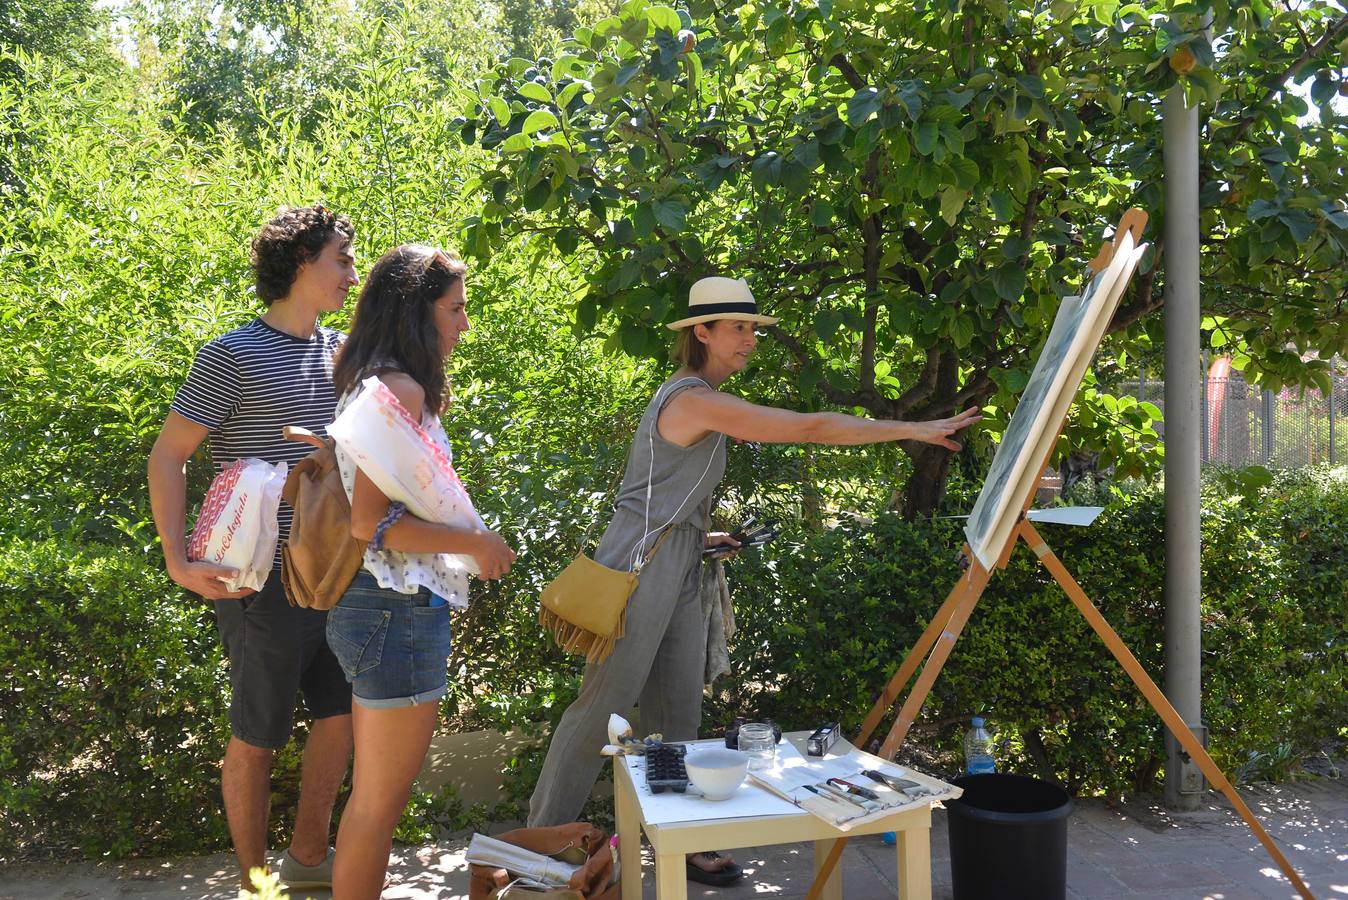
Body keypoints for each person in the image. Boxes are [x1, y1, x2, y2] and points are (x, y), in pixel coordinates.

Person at [528, 276, 981, 885]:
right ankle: (534, 852)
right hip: (639, 567)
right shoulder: (690, 398)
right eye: (738, 328)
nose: (750, 340)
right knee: (599, 711)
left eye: (752, 329)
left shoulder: (706, 396)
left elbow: (672, 495)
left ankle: (683, 842)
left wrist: (703, 537)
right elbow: (810, 428)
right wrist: (912, 430)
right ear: (702, 333)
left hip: (683, 558)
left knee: (678, 714)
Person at [147, 205, 360, 890]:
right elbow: (169, 456)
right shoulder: (231, 354)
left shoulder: (339, 353)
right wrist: (178, 559)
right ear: (301, 264)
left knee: (342, 717)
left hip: (333, 572)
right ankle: (255, 880)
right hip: (256, 581)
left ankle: (304, 858)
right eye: (341, 261)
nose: (351, 276)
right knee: (259, 733)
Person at [326, 244, 516, 900]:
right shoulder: (398, 387)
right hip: (395, 606)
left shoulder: (372, 378)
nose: (465, 324)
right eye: (456, 309)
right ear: (416, 312)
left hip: (380, 608)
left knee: (372, 803)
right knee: (378, 807)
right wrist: (475, 542)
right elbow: (368, 523)